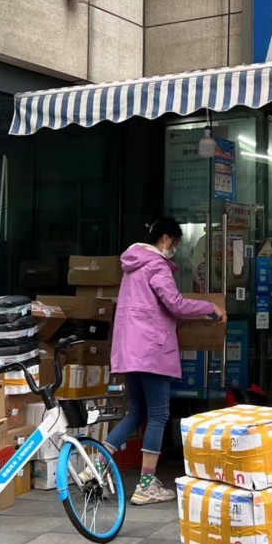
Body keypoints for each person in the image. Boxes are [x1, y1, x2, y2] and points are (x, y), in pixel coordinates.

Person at [104, 216, 226, 505]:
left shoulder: (131, 267)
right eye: (176, 242)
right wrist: (211, 307)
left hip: (129, 350)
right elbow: (175, 304)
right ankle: (146, 485)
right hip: (152, 350)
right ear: (166, 238)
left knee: (136, 412)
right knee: (158, 415)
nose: (175, 248)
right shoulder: (156, 265)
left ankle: (94, 467)